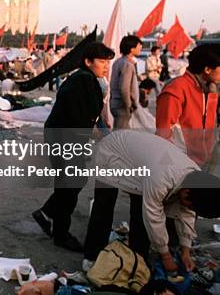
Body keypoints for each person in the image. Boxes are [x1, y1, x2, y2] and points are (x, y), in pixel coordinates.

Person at [82, 130, 220, 273]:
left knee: (139, 215)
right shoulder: (161, 179)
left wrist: (186, 252)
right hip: (111, 150)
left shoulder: (195, 177)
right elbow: (153, 217)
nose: (188, 209)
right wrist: (166, 257)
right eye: (190, 205)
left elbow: (187, 214)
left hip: (141, 162)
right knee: (104, 205)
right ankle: (91, 256)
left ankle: (137, 259)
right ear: (186, 193)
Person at [33, 42, 115, 252]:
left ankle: (47, 214)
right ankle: (60, 233)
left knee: (73, 181)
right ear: (88, 61)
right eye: (102, 61)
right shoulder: (82, 80)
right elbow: (78, 116)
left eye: (108, 62)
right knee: (70, 182)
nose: (106, 66)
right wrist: (96, 134)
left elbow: (91, 115)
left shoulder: (88, 79)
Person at [156, 44, 219, 166]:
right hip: (183, 164)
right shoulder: (176, 89)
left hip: (205, 162)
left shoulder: (209, 88)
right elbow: (163, 134)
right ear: (207, 69)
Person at [110, 35, 142, 129]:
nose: (141, 48)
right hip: (122, 106)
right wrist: (128, 106)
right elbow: (124, 88)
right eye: (139, 45)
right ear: (132, 49)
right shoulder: (127, 65)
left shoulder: (118, 62)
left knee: (122, 135)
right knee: (119, 137)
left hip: (116, 103)